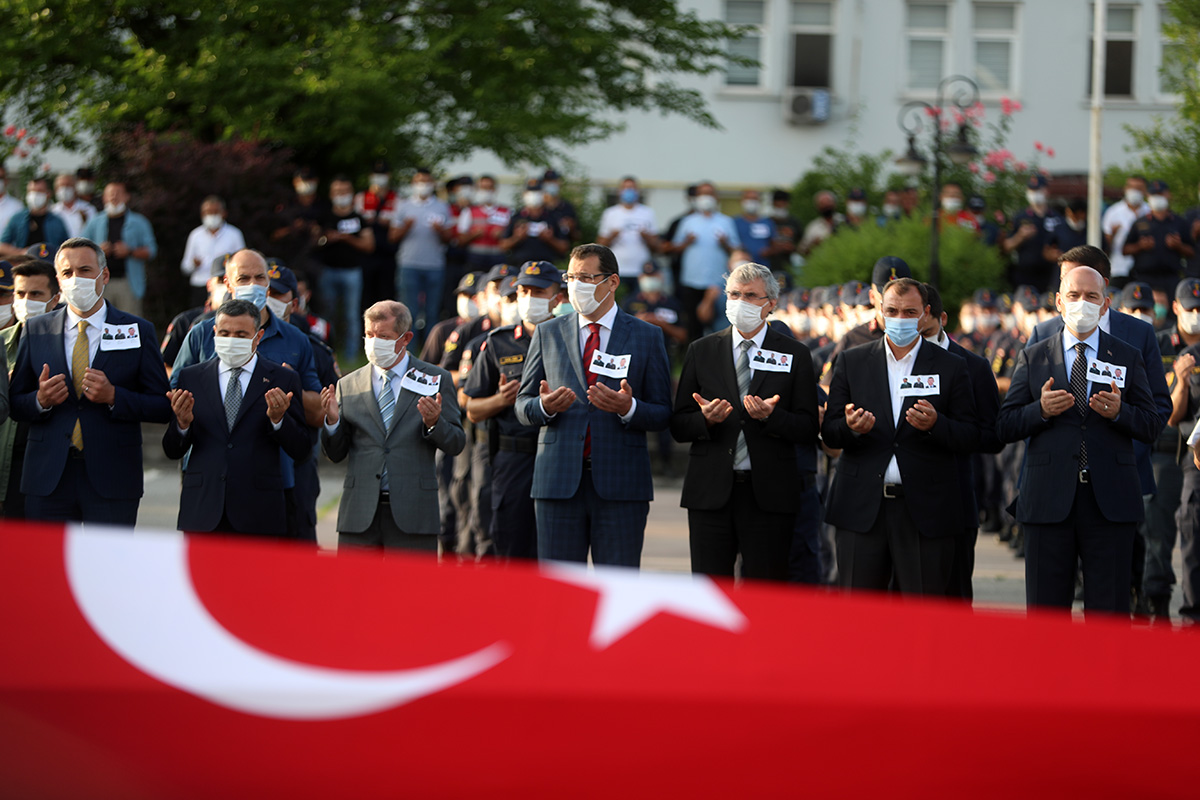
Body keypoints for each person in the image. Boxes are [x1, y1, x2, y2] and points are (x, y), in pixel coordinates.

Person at [997, 266, 1162, 614]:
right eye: (1074, 296)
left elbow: (1151, 424)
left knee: (1109, 613)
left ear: (1105, 305)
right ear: (1059, 301)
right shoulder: (1035, 355)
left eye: (1091, 297)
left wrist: (1120, 412)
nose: (1082, 304)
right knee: (1047, 615)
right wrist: (1039, 410)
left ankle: (1104, 671)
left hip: (1109, 501)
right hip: (1048, 499)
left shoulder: (1126, 356)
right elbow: (1005, 425)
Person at [515, 243, 672, 567]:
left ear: (612, 282)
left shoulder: (646, 336)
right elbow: (523, 405)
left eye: (586, 277)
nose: (576, 285)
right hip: (557, 483)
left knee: (616, 592)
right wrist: (544, 406)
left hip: (621, 486)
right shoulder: (548, 332)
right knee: (558, 596)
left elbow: (662, 411)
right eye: (571, 277)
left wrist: (628, 408)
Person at [821, 277, 979, 595]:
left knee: (923, 617)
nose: (900, 318)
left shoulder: (952, 366)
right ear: (880, 312)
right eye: (892, 310)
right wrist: (852, 426)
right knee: (860, 616)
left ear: (925, 314)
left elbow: (971, 435)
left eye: (909, 312)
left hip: (925, 509)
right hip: (862, 506)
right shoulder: (852, 361)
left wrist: (936, 424)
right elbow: (830, 431)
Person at [670, 262, 818, 581]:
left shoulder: (795, 354)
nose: (740, 302)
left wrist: (772, 417)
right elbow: (679, 424)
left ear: (771, 304)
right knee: (710, 596)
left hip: (769, 494)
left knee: (764, 598)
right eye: (734, 294)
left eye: (750, 296)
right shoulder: (702, 350)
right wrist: (705, 420)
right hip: (710, 492)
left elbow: (808, 428)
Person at [9, 236, 170, 525]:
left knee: (108, 569)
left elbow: (161, 405)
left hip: (112, 476)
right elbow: (16, 403)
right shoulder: (37, 330)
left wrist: (115, 397)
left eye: (84, 270)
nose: (76, 279)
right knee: (46, 569)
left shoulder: (137, 331)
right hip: (48, 477)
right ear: (58, 280)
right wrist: (39, 400)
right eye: (67, 273)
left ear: (104, 275)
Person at [320, 301, 465, 552]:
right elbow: (336, 453)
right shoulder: (348, 384)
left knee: (412, 591)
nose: (374, 342)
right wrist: (332, 423)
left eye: (383, 336)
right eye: (369, 335)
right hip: (359, 514)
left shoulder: (434, 379)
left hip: (414, 513)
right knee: (355, 591)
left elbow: (456, 443)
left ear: (406, 337)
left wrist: (434, 424)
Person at [163, 299, 310, 536]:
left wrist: (278, 420)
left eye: (241, 334)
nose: (231, 340)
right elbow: (171, 449)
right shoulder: (191, 378)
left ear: (258, 336)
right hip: (203, 509)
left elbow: (302, 449)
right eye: (225, 333)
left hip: (259, 513)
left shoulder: (282, 379)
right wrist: (182, 424)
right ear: (214, 333)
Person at [463, 261, 564, 559]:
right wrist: (501, 399)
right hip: (513, 456)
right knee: (510, 545)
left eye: (538, 291)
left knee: (556, 550)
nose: (528, 298)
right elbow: (472, 409)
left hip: (559, 455)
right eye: (523, 291)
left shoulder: (569, 338)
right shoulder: (498, 342)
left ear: (557, 298)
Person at [918, 285, 1003, 601]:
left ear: (941, 319)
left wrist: (940, 426)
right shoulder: (878, 360)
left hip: (952, 501)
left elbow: (992, 436)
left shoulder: (973, 366)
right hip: (895, 505)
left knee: (951, 599)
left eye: (921, 325)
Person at [666, 182, 740, 342]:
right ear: (696, 198)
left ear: (716, 197)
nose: (706, 198)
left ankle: (717, 354)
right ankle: (693, 356)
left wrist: (725, 243)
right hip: (692, 280)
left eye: (710, 194)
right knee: (693, 322)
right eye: (702, 194)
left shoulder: (725, 221)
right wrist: (686, 242)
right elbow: (675, 248)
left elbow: (736, 249)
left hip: (718, 280)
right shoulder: (687, 221)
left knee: (719, 322)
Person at [314, 176, 374, 362]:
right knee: (327, 313)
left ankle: (351, 355)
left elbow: (369, 245)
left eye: (345, 191)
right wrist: (326, 238)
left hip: (352, 272)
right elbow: (313, 241)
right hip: (327, 271)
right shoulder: (324, 217)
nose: (341, 195)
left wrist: (348, 239)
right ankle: (326, 352)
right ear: (332, 194)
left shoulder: (358, 218)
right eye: (338, 192)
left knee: (352, 314)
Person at [391, 168, 453, 339]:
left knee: (432, 312)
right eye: (419, 182)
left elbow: (450, 238)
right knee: (407, 312)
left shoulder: (442, 207)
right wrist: (406, 227)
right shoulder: (404, 206)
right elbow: (392, 236)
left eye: (426, 182)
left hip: (435, 265)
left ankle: (429, 349)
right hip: (409, 264)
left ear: (432, 185)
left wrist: (440, 230)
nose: (423, 186)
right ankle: (407, 349)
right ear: (413, 184)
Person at [79, 182, 157, 318]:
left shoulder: (139, 222)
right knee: (100, 321)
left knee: (129, 324)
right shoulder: (95, 222)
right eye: (110, 194)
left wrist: (130, 252)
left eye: (118, 193)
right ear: (104, 198)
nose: (114, 197)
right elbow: (80, 248)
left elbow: (151, 251)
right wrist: (98, 250)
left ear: (127, 197)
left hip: (128, 283)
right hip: (100, 283)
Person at [1124, 180, 1194, 308]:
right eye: (1154, 195)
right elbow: (1125, 249)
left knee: (1173, 314)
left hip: (1171, 277)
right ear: (1148, 197)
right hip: (1145, 277)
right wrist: (1140, 246)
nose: (1157, 198)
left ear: (1168, 195)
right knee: (1144, 310)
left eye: (1161, 194)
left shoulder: (1180, 222)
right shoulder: (1140, 223)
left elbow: (1192, 251)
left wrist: (1178, 246)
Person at [179, 196, 245, 309]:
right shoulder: (195, 236)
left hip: (224, 286)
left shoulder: (234, 234)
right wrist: (193, 264)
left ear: (223, 213)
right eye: (208, 212)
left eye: (215, 212)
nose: (212, 216)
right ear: (202, 214)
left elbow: (243, 262)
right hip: (200, 286)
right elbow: (185, 267)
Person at [1002, 175, 1061, 290]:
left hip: (1051, 274)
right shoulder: (1020, 217)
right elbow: (1006, 246)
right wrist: (1020, 236)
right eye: (1032, 190)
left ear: (1046, 191)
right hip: (1025, 274)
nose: (1035, 194)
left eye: (1038, 190)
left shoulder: (1056, 217)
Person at [355, 160, 400, 310]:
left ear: (388, 176)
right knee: (366, 297)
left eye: (382, 174)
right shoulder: (361, 197)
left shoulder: (396, 198)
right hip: (367, 255)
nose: (379, 177)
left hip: (388, 255)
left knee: (387, 297)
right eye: (376, 174)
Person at [596, 177, 660, 279]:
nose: (629, 191)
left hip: (641, 270)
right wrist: (612, 236)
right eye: (625, 188)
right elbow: (600, 245)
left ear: (638, 191)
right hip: (617, 269)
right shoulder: (610, 213)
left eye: (632, 188)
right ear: (619, 191)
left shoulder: (647, 213)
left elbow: (657, 245)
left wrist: (646, 237)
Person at [500, 179, 570, 266]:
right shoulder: (516, 217)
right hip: (520, 266)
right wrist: (517, 237)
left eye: (537, 192)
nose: (534, 195)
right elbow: (503, 246)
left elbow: (564, 247)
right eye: (531, 192)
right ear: (524, 194)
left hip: (546, 267)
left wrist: (550, 240)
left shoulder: (553, 217)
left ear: (544, 194)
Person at [0, 178, 69, 260]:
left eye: (39, 191)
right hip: (24, 266)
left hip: (49, 267)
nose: (35, 195)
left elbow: (67, 248)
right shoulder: (17, 218)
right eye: (32, 191)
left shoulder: (57, 221)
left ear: (48, 194)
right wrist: (21, 252)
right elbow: (2, 245)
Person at [1103, 174, 1151, 288]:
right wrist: (1113, 234)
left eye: (1138, 188)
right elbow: (1104, 244)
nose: (1134, 191)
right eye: (1131, 187)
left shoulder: (1150, 212)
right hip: (1118, 268)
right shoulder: (1113, 212)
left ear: (1145, 191)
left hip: (1145, 270)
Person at [457, 174, 512, 272]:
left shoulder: (506, 211)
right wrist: (473, 235)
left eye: (489, 188)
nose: (486, 191)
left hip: (498, 257)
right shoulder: (469, 211)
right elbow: (460, 240)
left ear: (495, 189)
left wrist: (502, 234)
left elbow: (512, 236)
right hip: (475, 258)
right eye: (483, 188)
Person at [733, 189, 781, 265]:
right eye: (748, 198)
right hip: (741, 267)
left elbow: (775, 243)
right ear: (742, 201)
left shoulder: (767, 222)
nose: (751, 202)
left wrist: (769, 251)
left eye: (754, 199)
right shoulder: (734, 222)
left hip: (763, 267)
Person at [49, 173, 96, 240]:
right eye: (61, 186)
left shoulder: (88, 209)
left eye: (68, 185)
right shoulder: (52, 211)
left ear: (75, 187)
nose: (64, 189)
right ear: (56, 190)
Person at [798, 190, 844, 255]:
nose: (826, 205)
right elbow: (801, 252)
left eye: (828, 202)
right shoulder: (812, 227)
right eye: (822, 203)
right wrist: (813, 245)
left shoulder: (844, 220)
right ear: (817, 207)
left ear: (835, 204)